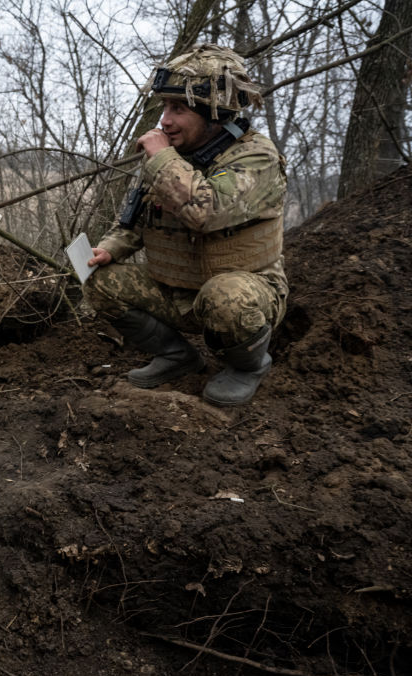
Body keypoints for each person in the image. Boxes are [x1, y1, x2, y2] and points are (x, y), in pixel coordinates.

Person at [84, 44, 287, 407]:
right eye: (164, 107)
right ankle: (177, 356)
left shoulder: (257, 156)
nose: (165, 121)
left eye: (178, 109)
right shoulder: (173, 157)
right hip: (176, 290)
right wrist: (110, 248)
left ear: (213, 113)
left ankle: (249, 365)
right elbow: (134, 221)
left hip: (243, 292)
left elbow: (206, 212)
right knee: (98, 280)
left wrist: (162, 158)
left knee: (225, 297)